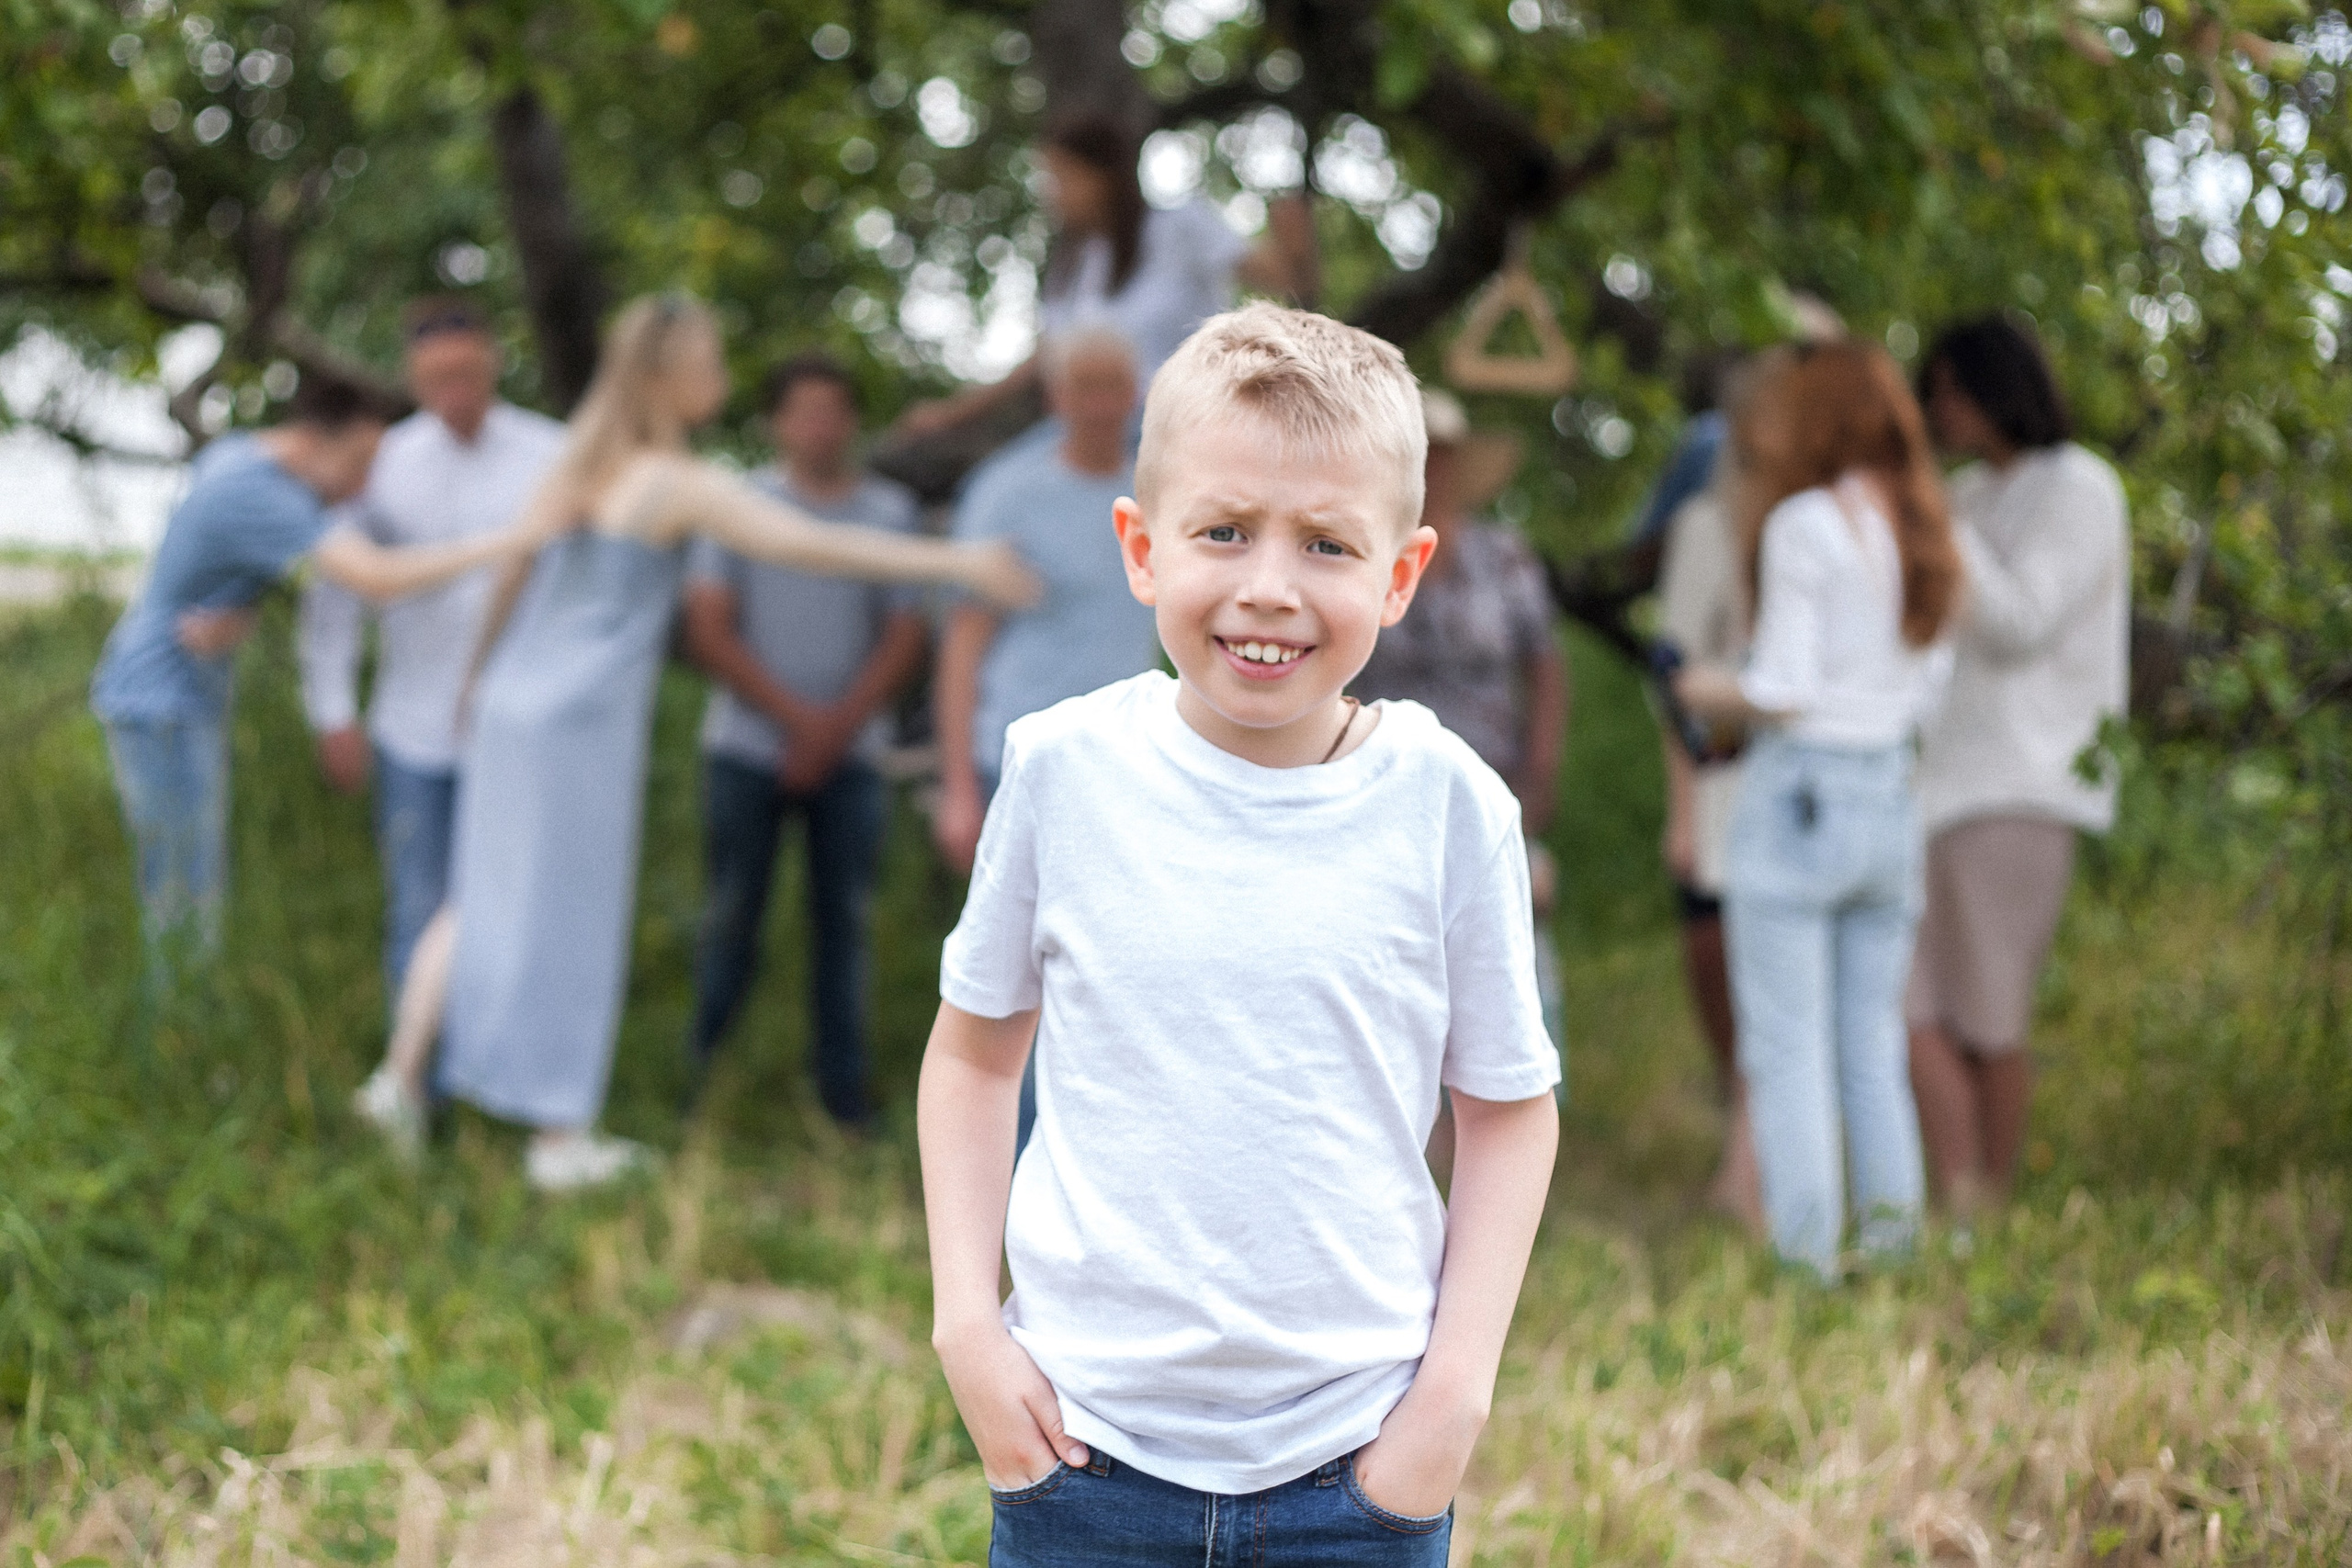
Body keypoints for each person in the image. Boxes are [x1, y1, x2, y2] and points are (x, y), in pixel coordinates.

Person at [919, 303, 1560, 1564]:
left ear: (1401, 572)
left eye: (1327, 541)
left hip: (1357, 1464)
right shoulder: (1062, 770)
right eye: (1223, 531)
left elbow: (1508, 1107)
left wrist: (1452, 1398)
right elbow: (976, 1055)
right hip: (1082, 1455)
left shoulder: (1450, 807)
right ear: (1142, 546)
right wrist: (966, 1326)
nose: (1269, 584)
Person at [352, 295, 1035, 1190]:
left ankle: (397, 1082)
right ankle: (558, 1135)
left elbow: (514, 578)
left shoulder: (577, 466)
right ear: (671, 376)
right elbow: (809, 547)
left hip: (514, 705)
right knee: (574, 917)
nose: (719, 376)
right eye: (708, 360)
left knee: (478, 896)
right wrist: (956, 563)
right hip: (581, 723)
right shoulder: (675, 483)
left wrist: (477, 686)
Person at [90, 370, 559, 984]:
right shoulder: (264, 495)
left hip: (158, 690)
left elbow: (204, 549)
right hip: (163, 703)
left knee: (184, 877)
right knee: (185, 887)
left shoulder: (234, 456)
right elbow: (376, 578)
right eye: (360, 463)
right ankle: (182, 1043)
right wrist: (506, 542)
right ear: (312, 440)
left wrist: (239, 606)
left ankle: (183, 1030)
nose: (363, 486)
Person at [1673, 341, 1962, 1279]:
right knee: (1869, 1043)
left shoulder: (1805, 523)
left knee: (1786, 1047)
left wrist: (1704, 685)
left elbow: (1785, 687)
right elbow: (1927, 690)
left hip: (1802, 797)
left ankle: (1806, 1266)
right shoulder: (1922, 527)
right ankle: (1891, 1245)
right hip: (1889, 800)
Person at [1906, 316, 2130, 1215]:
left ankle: (1980, 1210)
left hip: (2026, 781)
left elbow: (2018, 622)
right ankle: (1962, 1203)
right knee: (1910, 1007)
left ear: (1991, 386)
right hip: (1938, 785)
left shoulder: (2081, 487)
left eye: (1946, 392)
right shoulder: (1964, 494)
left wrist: (1931, 517)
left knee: (1988, 1014)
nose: (1937, 413)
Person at [680, 352, 928, 1126]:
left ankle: (844, 1100)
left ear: (852, 421)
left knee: (844, 926)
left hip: (853, 757)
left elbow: (905, 635)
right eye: (803, 410)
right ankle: (699, 1086)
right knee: (731, 915)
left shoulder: (889, 515)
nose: (819, 426)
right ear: (777, 423)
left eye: (834, 409)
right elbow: (709, 630)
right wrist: (798, 722)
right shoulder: (737, 503)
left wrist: (835, 726)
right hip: (746, 752)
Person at [298, 297, 567, 1003]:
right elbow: (335, 602)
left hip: (519, 727)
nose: (455, 392)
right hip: (412, 727)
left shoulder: (553, 455)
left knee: (516, 904)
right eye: (436, 378)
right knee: (418, 902)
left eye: (467, 373)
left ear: (494, 363)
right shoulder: (384, 464)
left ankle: (499, 1072)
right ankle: (414, 1087)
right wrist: (332, 710)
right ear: (413, 379)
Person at [1351, 389, 1568, 1050]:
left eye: (1438, 459)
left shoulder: (1502, 556)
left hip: (1489, 778)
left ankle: (1516, 1094)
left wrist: (1541, 767)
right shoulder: (1357, 553)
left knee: (1508, 937)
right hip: (1378, 789)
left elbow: (1546, 664)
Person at [895, 113, 1317, 441]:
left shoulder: (1181, 226)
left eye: (1061, 176)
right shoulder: (1077, 265)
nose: (1050, 192)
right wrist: (951, 413)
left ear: (1103, 176)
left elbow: (1288, 286)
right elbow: (1044, 359)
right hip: (1089, 440)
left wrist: (1296, 243)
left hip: (1184, 432)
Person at [930, 325, 1161, 877]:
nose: (1101, 404)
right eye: (1085, 386)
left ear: (1137, 393)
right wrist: (958, 790)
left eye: (1114, 386)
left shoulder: (1160, 498)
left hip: (1125, 765)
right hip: (1014, 762)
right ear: (1055, 395)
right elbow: (962, 648)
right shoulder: (1006, 495)